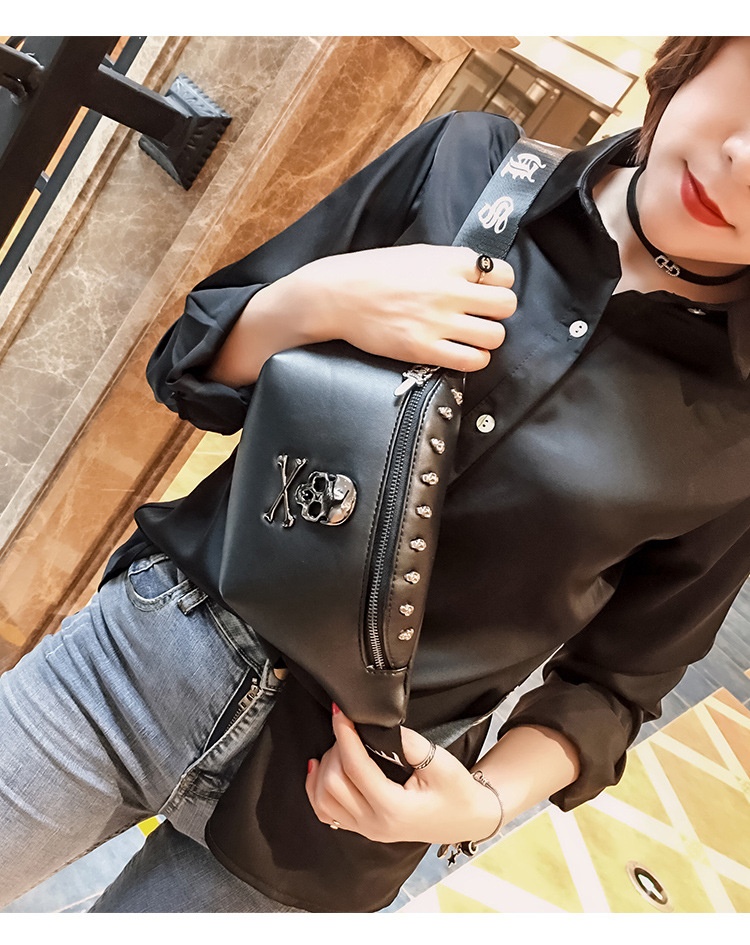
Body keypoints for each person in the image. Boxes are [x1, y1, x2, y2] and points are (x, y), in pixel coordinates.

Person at [1, 35, 749, 913]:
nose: (741, 162)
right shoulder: (469, 165)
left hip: (348, 810)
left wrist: (482, 803)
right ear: (705, 50)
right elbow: (190, 364)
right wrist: (315, 300)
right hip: (140, 665)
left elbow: (618, 683)